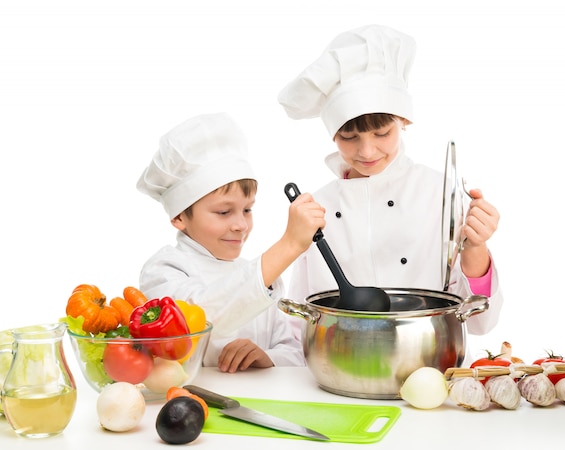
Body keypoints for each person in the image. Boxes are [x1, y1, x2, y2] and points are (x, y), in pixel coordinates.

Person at [277, 24, 503, 336]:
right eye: (349, 136)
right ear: (331, 134)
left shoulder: (440, 194)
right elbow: (298, 323)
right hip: (337, 367)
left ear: (404, 121)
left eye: (382, 133)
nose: (366, 150)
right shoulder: (316, 208)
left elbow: (480, 322)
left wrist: (476, 246)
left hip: (425, 362)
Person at [135, 113, 326, 372]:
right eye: (224, 212)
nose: (241, 225)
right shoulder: (164, 269)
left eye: (247, 210)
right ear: (179, 216)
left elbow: (292, 352)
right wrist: (289, 245)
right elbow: (197, 318)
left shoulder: (255, 273)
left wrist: (267, 357)